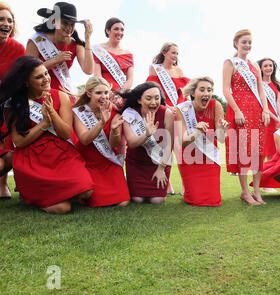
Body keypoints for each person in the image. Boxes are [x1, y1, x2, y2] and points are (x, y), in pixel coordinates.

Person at [0, 56, 94, 214]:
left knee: (87, 192)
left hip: (60, 153)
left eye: (46, 73)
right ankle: (34, 193)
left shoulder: (60, 96)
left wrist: (51, 112)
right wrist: (43, 123)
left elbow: (65, 134)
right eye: (39, 77)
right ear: (26, 81)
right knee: (62, 208)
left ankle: (55, 191)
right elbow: (19, 141)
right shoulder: (14, 103)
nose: (46, 79)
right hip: (31, 157)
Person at [223, 29, 270, 205]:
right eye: (244, 42)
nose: (247, 45)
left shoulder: (254, 65)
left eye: (250, 42)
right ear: (236, 43)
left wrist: (265, 109)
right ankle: (245, 192)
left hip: (257, 111)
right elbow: (226, 90)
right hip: (239, 110)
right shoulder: (230, 63)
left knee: (258, 152)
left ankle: (256, 191)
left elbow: (261, 90)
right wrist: (236, 110)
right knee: (243, 151)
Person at [72, 76, 130, 207]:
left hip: (108, 160)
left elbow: (113, 144)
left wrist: (115, 131)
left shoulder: (114, 111)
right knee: (94, 200)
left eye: (106, 92)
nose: (103, 96)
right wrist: (102, 123)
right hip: (87, 160)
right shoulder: (79, 111)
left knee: (123, 202)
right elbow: (85, 140)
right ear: (89, 94)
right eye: (98, 93)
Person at [177, 77, 230, 206]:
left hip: (209, 158)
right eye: (202, 89)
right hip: (189, 158)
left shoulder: (215, 105)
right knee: (194, 200)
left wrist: (222, 130)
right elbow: (182, 142)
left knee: (213, 201)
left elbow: (221, 139)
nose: (206, 93)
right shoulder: (182, 109)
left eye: (209, 90)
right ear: (193, 93)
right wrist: (197, 132)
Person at [118, 82, 173, 205]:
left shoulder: (166, 113)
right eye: (148, 98)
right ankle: (129, 180)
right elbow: (131, 143)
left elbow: (169, 144)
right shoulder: (130, 113)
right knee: (137, 200)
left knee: (157, 201)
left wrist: (161, 168)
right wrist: (146, 134)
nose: (153, 102)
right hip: (136, 163)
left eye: (157, 98)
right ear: (139, 100)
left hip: (159, 163)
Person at [147, 42, 190, 196]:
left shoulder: (179, 71)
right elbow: (152, 91)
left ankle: (186, 185)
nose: (175, 56)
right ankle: (168, 184)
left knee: (180, 149)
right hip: (164, 111)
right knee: (165, 146)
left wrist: (179, 108)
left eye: (177, 53)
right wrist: (167, 106)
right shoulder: (155, 69)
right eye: (173, 52)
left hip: (178, 113)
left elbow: (183, 95)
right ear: (164, 52)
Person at [25, 2, 93, 94]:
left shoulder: (76, 44)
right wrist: (56, 60)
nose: (69, 28)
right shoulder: (37, 40)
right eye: (65, 23)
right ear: (54, 21)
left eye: (72, 24)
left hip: (64, 92)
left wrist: (87, 39)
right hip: (40, 92)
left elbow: (88, 70)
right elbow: (28, 72)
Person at [0, 1, 25, 200]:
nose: (6, 24)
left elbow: (20, 79)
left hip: (7, 106)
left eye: (10, 20)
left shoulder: (17, 48)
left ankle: (3, 186)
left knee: (7, 153)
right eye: (1, 19)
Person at [258, 57, 280, 193]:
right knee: (262, 152)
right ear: (261, 68)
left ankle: (269, 183)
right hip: (265, 120)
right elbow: (263, 105)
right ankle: (261, 183)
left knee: (274, 153)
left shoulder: (276, 84)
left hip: (276, 123)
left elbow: (278, 102)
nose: (268, 68)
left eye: (270, 65)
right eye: (265, 66)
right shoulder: (258, 84)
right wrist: (275, 118)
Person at [93, 18, 134, 95]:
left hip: (122, 94)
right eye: (116, 29)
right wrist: (107, 93)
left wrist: (121, 94)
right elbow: (97, 75)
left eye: (122, 30)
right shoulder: (98, 50)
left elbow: (130, 79)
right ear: (107, 31)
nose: (120, 32)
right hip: (103, 93)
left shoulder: (128, 54)